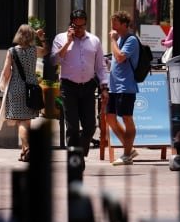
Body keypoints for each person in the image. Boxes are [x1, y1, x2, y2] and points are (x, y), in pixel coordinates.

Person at [51, 9, 108, 158]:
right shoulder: (60, 38)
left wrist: (104, 87)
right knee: (72, 127)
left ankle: (79, 153)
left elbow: (100, 66)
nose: (79, 30)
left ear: (86, 24)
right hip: (68, 87)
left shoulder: (94, 40)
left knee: (90, 127)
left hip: (88, 86)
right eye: (76, 26)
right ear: (70, 25)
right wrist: (68, 43)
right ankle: (75, 160)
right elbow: (54, 60)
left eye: (82, 26)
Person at [0, 24, 41, 162]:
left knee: (21, 122)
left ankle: (27, 149)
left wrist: (3, 84)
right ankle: (24, 152)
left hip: (16, 88)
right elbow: (46, 51)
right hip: (31, 89)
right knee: (26, 121)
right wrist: (41, 38)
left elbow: (6, 71)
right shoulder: (34, 50)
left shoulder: (12, 51)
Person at [107, 11, 140, 166]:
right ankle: (129, 148)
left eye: (116, 23)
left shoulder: (131, 39)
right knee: (110, 118)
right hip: (114, 87)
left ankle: (127, 155)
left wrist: (113, 40)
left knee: (127, 118)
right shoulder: (118, 39)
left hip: (126, 86)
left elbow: (120, 57)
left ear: (125, 24)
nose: (113, 26)